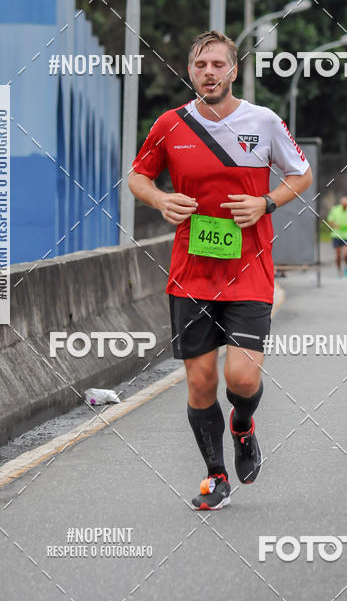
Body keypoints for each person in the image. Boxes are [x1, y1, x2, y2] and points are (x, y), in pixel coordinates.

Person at [128, 30, 312, 510]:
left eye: (217, 64)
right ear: (190, 72)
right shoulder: (171, 125)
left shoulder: (263, 121)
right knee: (200, 382)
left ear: (233, 70)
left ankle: (244, 426)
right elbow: (137, 175)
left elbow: (302, 173)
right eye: (200, 65)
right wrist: (160, 198)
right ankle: (215, 476)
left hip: (249, 269)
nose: (208, 72)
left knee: (243, 380)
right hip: (191, 273)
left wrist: (267, 202)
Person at [327, 196, 347, 277]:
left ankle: (346, 267)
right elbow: (330, 220)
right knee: (338, 255)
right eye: (343, 204)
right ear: (341, 204)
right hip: (336, 235)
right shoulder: (335, 210)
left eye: (346, 205)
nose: (345, 206)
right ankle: (339, 270)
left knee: (346, 253)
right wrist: (334, 225)